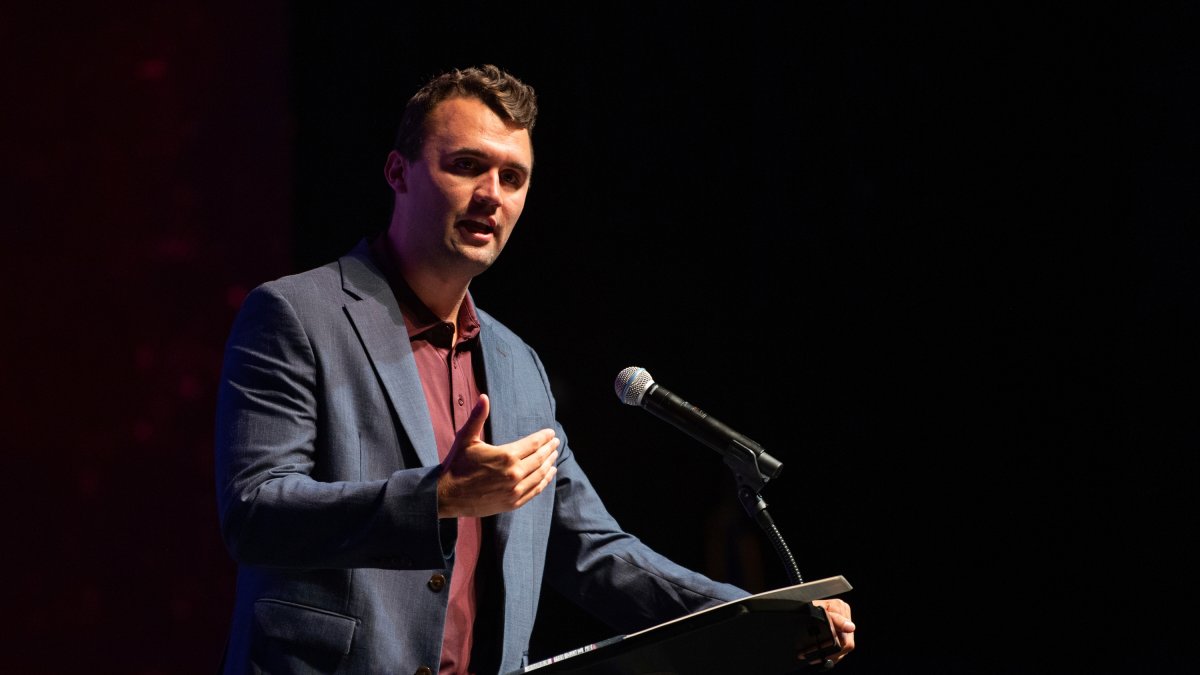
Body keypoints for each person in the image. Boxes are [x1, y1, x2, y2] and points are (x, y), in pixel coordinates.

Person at [214, 63, 855, 675]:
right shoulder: (298, 314)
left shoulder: (518, 366)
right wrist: (437, 499)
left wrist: (756, 616)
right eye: (466, 166)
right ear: (397, 171)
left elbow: (590, 548)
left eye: (513, 177)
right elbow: (255, 511)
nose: (491, 195)